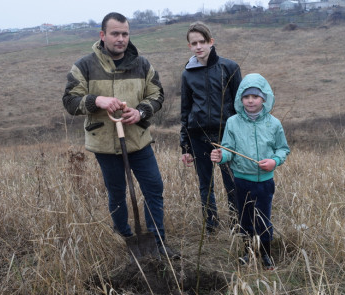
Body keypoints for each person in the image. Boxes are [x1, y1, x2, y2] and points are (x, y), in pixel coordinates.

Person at [62, 12, 179, 258]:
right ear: (102, 35)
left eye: (125, 34)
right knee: (116, 192)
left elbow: (157, 95)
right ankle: (125, 238)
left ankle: (158, 242)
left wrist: (141, 111)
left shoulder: (142, 64)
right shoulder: (84, 66)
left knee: (153, 187)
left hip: (138, 140)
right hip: (104, 143)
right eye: (115, 33)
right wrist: (97, 100)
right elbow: (70, 102)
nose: (121, 39)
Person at [210, 73, 290, 270]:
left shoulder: (274, 124)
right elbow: (229, 150)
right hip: (241, 181)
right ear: (240, 99)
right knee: (244, 218)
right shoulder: (233, 122)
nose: (251, 100)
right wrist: (221, 155)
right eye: (246, 96)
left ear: (264, 98)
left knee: (263, 219)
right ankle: (248, 251)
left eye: (255, 96)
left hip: (264, 182)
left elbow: (283, 149)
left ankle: (266, 254)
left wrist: (274, 161)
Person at [179, 21, 242, 233]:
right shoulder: (187, 74)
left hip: (226, 136)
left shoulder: (230, 68)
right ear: (189, 46)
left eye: (202, 42)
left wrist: (239, 137)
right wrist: (185, 146)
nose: (198, 46)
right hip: (198, 137)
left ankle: (236, 224)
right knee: (206, 185)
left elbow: (239, 107)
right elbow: (185, 110)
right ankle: (211, 226)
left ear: (211, 42)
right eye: (193, 43)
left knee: (231, 182)